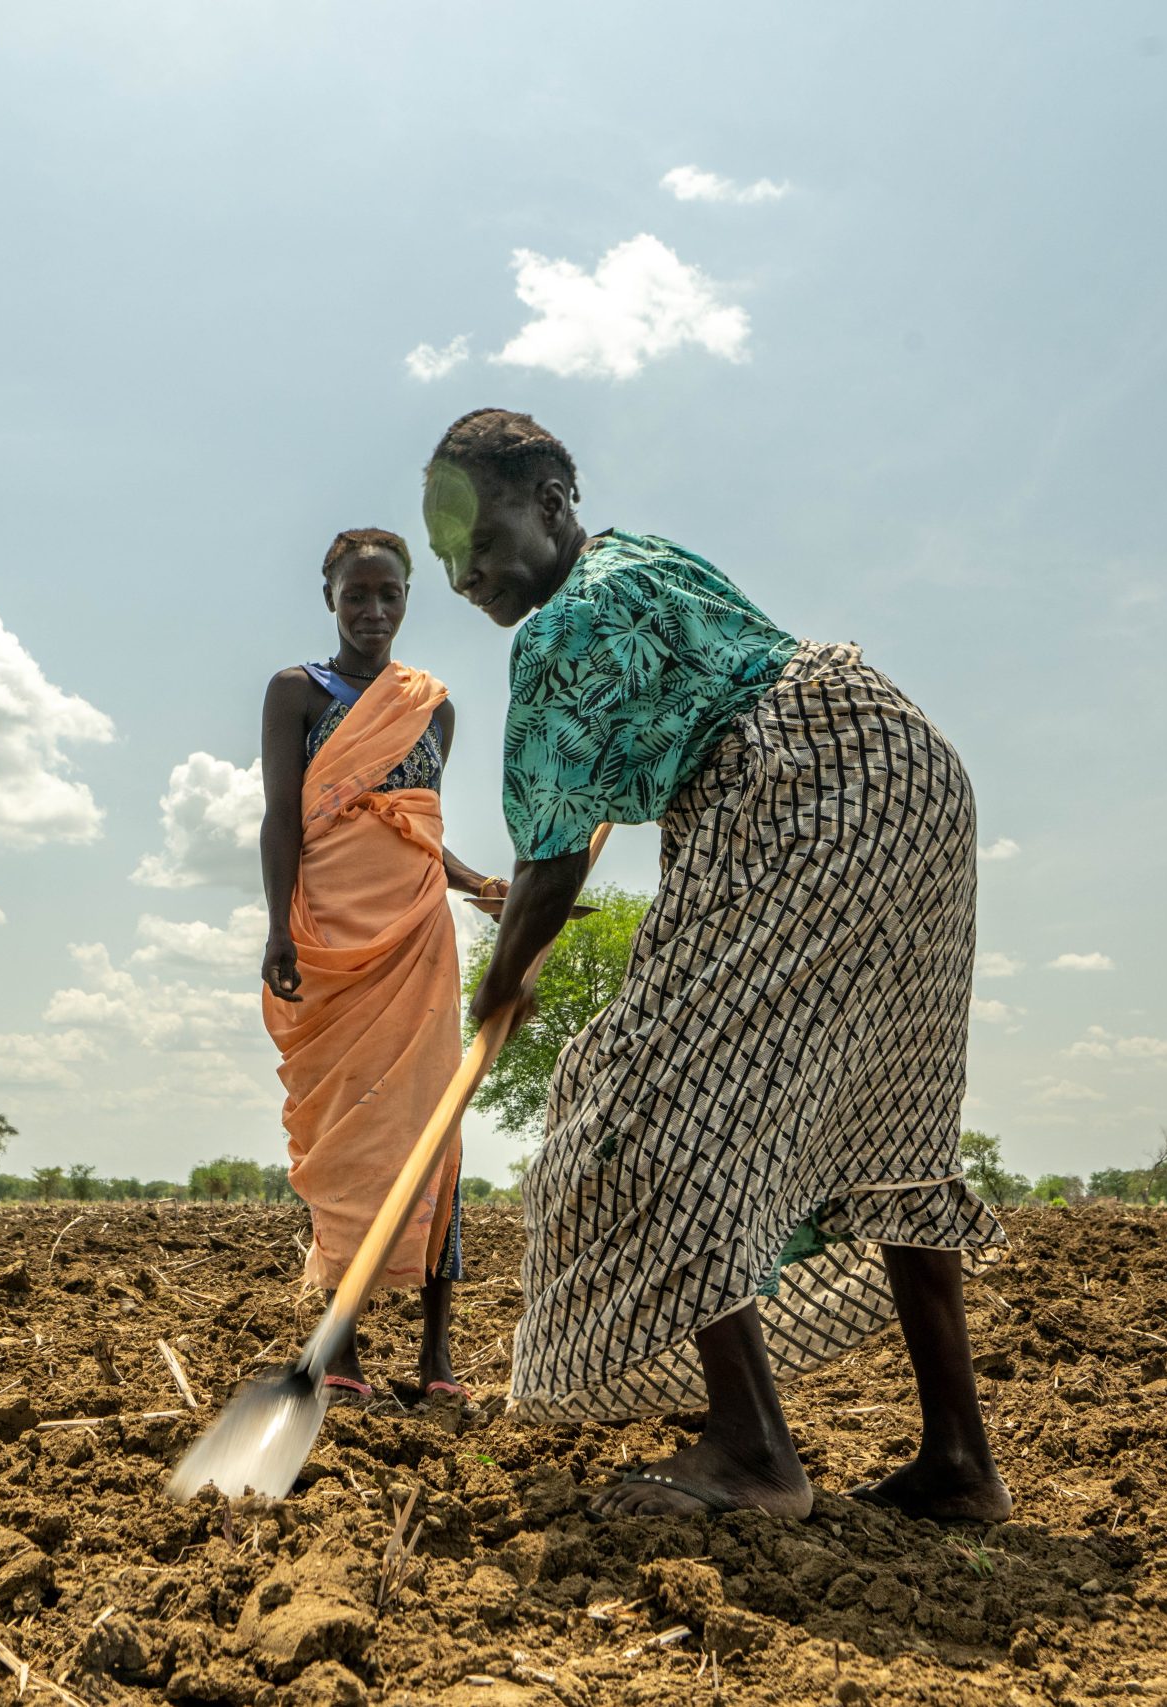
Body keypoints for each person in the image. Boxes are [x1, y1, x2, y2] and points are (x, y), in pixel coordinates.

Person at [424, 409, 1011, 1521]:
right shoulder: (648, 559)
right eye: (446, 549)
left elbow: (547, 866)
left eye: (477, 535)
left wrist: (504, 983)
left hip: (797, 796)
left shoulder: (559, 634)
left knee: (641, 1091)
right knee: (895, 1111)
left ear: (549, 503)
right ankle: (959, 1464)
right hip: (905, 766)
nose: (463, 571)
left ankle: (749, 1448)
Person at [259, 527, 502, 1403]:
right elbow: (282, 819)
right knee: (348, 1136)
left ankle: (436, 1357)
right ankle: (347, 1353)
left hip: (416, 942)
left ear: (408, 600)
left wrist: (482, 886)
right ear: (330, 597)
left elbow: (420, 828)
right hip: (329, 942)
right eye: (356, 594)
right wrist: (277, 929)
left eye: (388, 594)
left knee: (436, 1137)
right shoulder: (297, 691)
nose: (372, 610)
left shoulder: (431, 706)